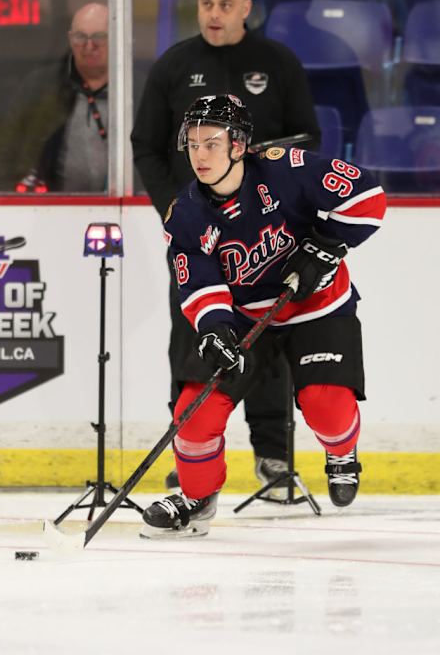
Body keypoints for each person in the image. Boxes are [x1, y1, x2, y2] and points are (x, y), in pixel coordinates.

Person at [140, 94, 386, 538]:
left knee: (325, 403)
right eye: (193, 144)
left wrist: (324, 247)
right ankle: (195, 499)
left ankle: (342, 454)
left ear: (238, 145)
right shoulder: (187, 214)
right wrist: (215, 330)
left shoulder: (285, 168)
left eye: (211, 143)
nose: (200, 155)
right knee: (194, 413)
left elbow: (367, 196)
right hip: (245, 321)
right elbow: (197, 284)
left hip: (317, 307)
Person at [131, 0, 321, 493]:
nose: (213, 14)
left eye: (224, 4)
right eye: (205, 3)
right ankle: (189, 452)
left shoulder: (277, 64)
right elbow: (145, 144)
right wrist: (177, 208)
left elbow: (307, 139)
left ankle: (273, 456)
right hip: (199, 239)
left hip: (265, 237)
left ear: (245, 8)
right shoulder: (175, 65)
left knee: (269, 339)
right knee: (193, 341)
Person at [6, 2, 109, 192]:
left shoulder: (138, 91)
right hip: (50, 210)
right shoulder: (40, 87)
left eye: (99, 37)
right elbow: (11, 153)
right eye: (81, 37)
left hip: (129, 212)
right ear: (70, 39)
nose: (89, 45)